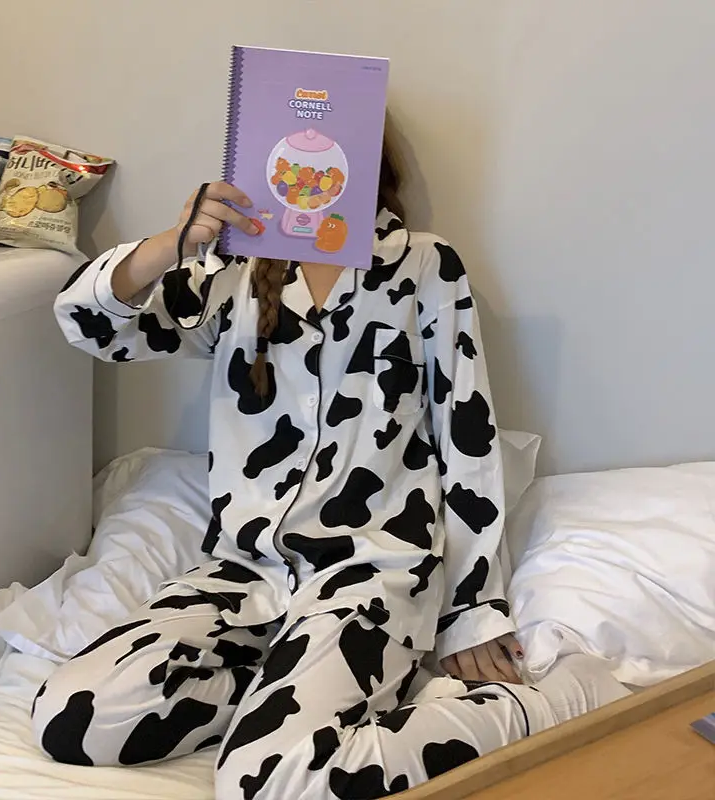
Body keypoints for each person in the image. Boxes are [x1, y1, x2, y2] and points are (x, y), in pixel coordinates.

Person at [33, 137, 628, 799]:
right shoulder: (230, 272)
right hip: (247, 573)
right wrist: (174, 242)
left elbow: (467, 437)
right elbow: (89, 324)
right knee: (70, 718)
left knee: (269, 781)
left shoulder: (423, 265)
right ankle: (277, 691)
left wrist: (472, 611)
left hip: (371, 573)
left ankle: (547, 707)